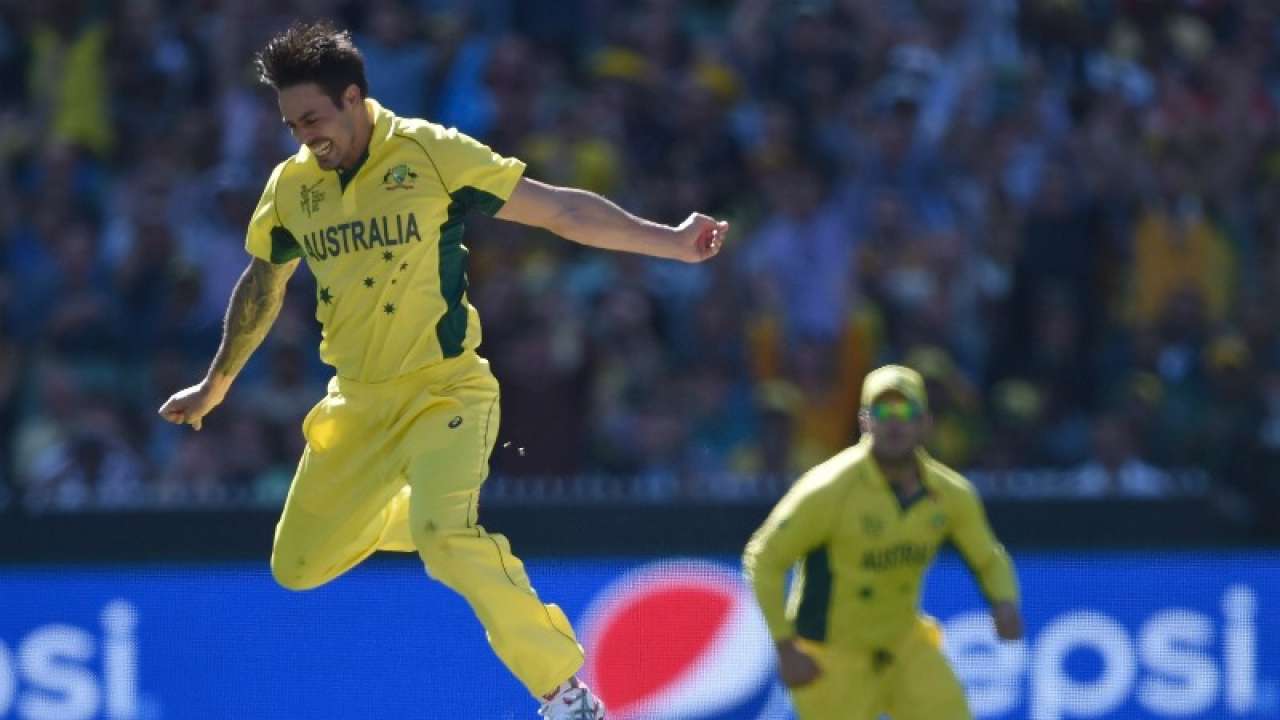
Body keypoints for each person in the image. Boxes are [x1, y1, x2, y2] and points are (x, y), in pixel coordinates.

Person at [158, 20, 728, 720]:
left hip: (445, 390)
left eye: (313, 118)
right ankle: (431, 506)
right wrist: (215, 385)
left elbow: (558, 210)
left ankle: (566, 693)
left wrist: (670, 241)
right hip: (357, 406)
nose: (305, 135)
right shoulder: (292, 187)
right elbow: (262, 283)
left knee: (442, 538)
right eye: (291, 123)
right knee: (296, 566)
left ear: (354, 98)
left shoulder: (430, 153)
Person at [743, 365, 1022, 720]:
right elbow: (764, 558)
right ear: (863, 422)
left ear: (925, 423)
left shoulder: (950, 494)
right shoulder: (829, 489)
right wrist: (785, 647)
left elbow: (988, 558)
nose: (894, 424)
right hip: (832, 656)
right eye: (882, 412)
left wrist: (1005, 601)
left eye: (905, 412)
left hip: (904, 642)